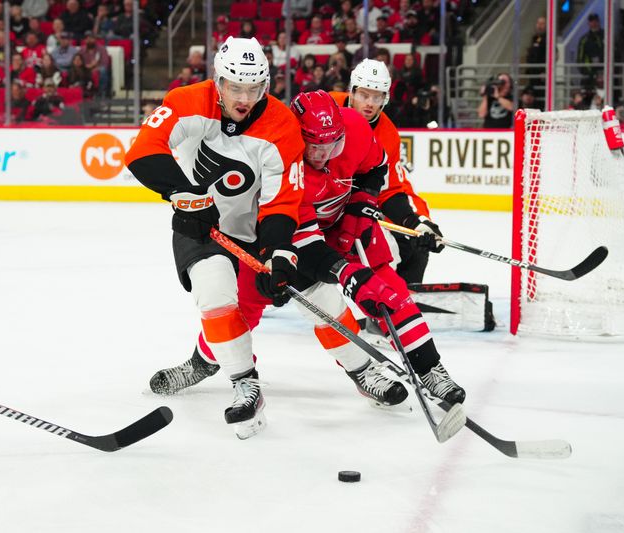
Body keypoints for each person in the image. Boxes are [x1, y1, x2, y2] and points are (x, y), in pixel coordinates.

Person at [147, 90, 466, 411]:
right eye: (315, 145)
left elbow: (376, 170)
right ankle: (204, 361)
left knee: (390, 292)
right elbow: (304, 240)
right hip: (298, 241)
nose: (325, 154)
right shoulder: (286, 162)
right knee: (241, 313)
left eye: (332, 144)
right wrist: (343, 272)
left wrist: (370, 208)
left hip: (350, 229)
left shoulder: (355, 128)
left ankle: (421, 369)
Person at [125, 37, 304, 439]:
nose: (244, 98)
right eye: (235, 87)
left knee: (245, 314)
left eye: (254, 88)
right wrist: (184, 195)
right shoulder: (188, 101)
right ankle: (246, 382)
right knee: (215, 295)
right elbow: (142, 150)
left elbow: (283, 201)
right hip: (197, 223)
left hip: (251, 233)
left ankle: (202, 363)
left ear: (266, 85)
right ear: (218, 81)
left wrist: (278, 251)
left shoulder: (282, 126)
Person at [330, 59, 441, 285]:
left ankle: (398, 305)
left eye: (377, 96)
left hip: (355, 204)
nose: (370, 103)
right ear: (351, 91)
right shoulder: (327, 106)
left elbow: (389, 191)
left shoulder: (387, 134)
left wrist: (416, 222)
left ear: (385, 98)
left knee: (405, 249)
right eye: (363, 95)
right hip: (317, 197)